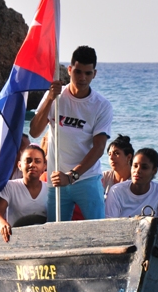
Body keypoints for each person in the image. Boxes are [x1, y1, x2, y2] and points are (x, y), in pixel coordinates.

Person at [29, 45, 112, 221]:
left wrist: (72, 175)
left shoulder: (101, 105)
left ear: (94, 74)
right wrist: (50, 99)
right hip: (57, 180)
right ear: (69, 70)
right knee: (56, 235)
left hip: (86, 178)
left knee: (98, 232)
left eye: (88, 73)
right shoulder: (55, 97)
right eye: (78, 72)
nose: (82, 78)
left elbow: (99, 148)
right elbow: (35, 132)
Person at [0, 145, 48, 242]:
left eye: (37, 161)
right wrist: (2, 223)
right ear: (19, 165)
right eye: (28, 161)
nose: (32, 165)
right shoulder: (10, 186)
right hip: (16, 240)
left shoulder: (50, 190)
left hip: (44, 239)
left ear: (44, 166)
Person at [105, 148, 158, 221]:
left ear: (154, 171)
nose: (137, 171)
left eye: (144, 167)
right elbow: (110, 225)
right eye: (135, 166)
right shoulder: (116, 191)